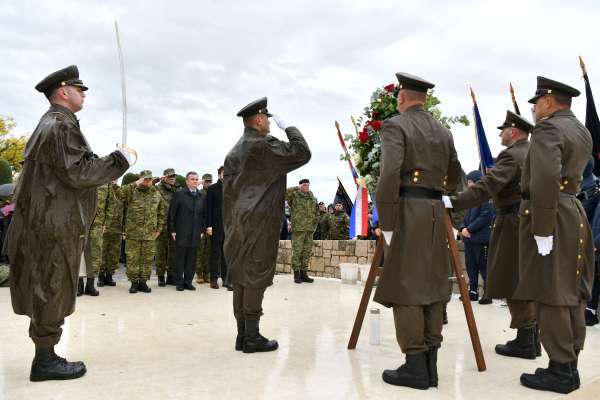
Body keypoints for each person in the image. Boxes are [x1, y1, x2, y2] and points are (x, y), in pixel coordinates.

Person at [3, 65, 130, 381]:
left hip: (47, 221)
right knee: (52, 286)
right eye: (79, 89)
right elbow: (79, 173)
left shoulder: (52, 124)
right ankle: (45, 361)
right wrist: (120, 160)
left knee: (47, 286)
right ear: (63, 91)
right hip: (54, 223)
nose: (83, 94)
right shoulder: (60, 126)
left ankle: (45, 355)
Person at [373, 72, 461, 390]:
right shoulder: (443, 130)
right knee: (434, 286)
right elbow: (456, 175)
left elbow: (388, 175)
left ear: (402, 98)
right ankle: (431, 366)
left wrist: (387, 222)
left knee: (406, 287)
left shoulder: (396, 126)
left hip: (408, 212)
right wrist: (451, 212)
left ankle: (415, 366)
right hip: (436, 212)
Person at [514, 76, 594, 394]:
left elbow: (546, 178)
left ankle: (560, 370)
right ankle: (568, 364)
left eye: (536, 104)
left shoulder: (548, 129)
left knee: (551, 292)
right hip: (572, 210)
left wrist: (543, 229)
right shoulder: (581, 130)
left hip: (552, 214)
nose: (534, 110)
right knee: (571, 292)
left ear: (548, 102)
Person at [445, 111, 539, 358]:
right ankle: (532, 336)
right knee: (526, 277)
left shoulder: (511, 156)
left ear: (514, 132)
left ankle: (525, 339)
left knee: (512, 277)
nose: (500, 135)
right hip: (530, 220)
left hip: (512, 222)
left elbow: (487, 187)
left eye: (503, 130)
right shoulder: (534, 151)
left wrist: (452, 201)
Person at [224, 97, 311, 353]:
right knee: (255, 276)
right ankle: (252, 337)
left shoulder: (234, 151)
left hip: (237, 221)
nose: (271, 125)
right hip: (259, 221)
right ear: (259, 120)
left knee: (241, 277)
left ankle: (242, 335)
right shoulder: (262, 145)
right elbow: (302, 152)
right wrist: (290, 128)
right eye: (269, 121)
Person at [119, 170, 166, 294]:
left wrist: (159, 229)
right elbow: (119, 194)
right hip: (133, 233)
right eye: (145, 179)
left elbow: (161, 212)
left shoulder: (156, 194)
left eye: (149, 179)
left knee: (147, 259)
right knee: (132, 259)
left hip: (149, 234)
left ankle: (143, 282)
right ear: (140, 179)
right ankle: (134, 283)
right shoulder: (131, 192)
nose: (147, 181)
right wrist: (135, 183)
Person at [459, 170, 495, 304]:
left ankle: (488, 293)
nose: (468, 185)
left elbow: (485, 216)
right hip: (469, 239)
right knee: (471, 266)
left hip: (481, 239)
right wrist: (462, 228)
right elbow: (465, 217)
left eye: (470, 182)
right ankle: (473, 291)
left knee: (484, 267)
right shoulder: (472, 198)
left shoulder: (486, 197)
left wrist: (469, 229)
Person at [168, 172, 207, 291]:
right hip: (181, 231)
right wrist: (172, 230)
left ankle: (188, 282)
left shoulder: (201, 195)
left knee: (192, 259)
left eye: (196, 179)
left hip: (196, 232)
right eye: (192, 179)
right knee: (180, 258)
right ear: (187, 181)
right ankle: (179, 282)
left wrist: (202, 230)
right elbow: (172, 213)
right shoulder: (179, 194)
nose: (195, 181)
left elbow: (204, 215)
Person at [286, 179, 319, 283]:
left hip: (309, 230)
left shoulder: (312, 198)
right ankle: (297, 274)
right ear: (300, 186)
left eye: (308, 185)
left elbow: (317, 212)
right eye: (304, 185)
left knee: (307, 251)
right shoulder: (294, 195)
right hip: (298, 229)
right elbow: (285, 193)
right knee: (297, 251)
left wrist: (314, 225)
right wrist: (297, 187)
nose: (307, 187)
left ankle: (304, 274)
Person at [207, 166, 230, 290]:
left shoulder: (232, 188)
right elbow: (208, 209)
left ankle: (226, 279)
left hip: (229, 228)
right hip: (216, 227)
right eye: (223, 173)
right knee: (215, 254)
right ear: (219, 174)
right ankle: (213, 279)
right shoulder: (212, 189)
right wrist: (209, 225)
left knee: (226, 255)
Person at [155, 168, 178, 286]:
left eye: (174, 176)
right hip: (161, 225)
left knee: (173, 252)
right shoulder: (157, 188)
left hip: (174, 226)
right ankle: (160, 277)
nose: (172, 178)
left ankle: (171, 276)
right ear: (164, 177)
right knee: (161, 252)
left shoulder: (177, 189)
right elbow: (148, 185)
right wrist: (158, 179)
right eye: (170, 176)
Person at [98, 181, 123, 287]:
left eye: (115, 179)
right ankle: (100, 276)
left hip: (117, 228)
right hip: (104, 227)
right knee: (102, 252)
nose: (114, 180)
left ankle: (109, 275)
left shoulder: (120, 191)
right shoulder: (102, 188)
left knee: (114, 253)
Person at [196, 173, 213, 285]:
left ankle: (207, 273)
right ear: (203, 182)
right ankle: (199, 273)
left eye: (210, 181)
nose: (208, 183)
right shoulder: (199, 193)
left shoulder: (213, 192)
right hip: (201, 225)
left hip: (211, 226)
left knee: (209, 251)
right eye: (206, 181)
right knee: (200, 251)